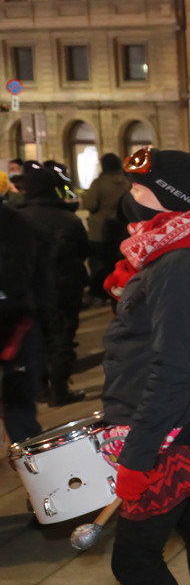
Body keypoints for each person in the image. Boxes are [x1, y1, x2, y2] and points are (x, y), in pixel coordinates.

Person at [102, 148, 190, 585]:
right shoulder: (184, 248)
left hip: (171, 432)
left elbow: (174, 370)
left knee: (134, 560)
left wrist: (138, 456)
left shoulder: (181, 266)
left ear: (168, 198)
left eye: (141, 188)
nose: (133, 196)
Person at [17, 161, 89, 406]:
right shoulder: (68, 219)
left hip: (28, 288)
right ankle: (59, 389)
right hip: (64, 286)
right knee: (63, 335)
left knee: (36, 336)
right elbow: (83, 250)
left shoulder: (16, 219)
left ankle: (40, 387)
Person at [0, 201, 51, 444]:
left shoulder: (15, 224)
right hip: (17, 321)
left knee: (19, 409)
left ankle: (32, 467)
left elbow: (19, 279)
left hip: (14, 325)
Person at [82, 153, 132, 302]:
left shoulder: (99, 183)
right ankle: (116, 289)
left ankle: (99, 291)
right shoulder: (127, 182)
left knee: (98, 261)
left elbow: (89, 204)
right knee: (116, 261)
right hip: (122, 229)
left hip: (100, 230)